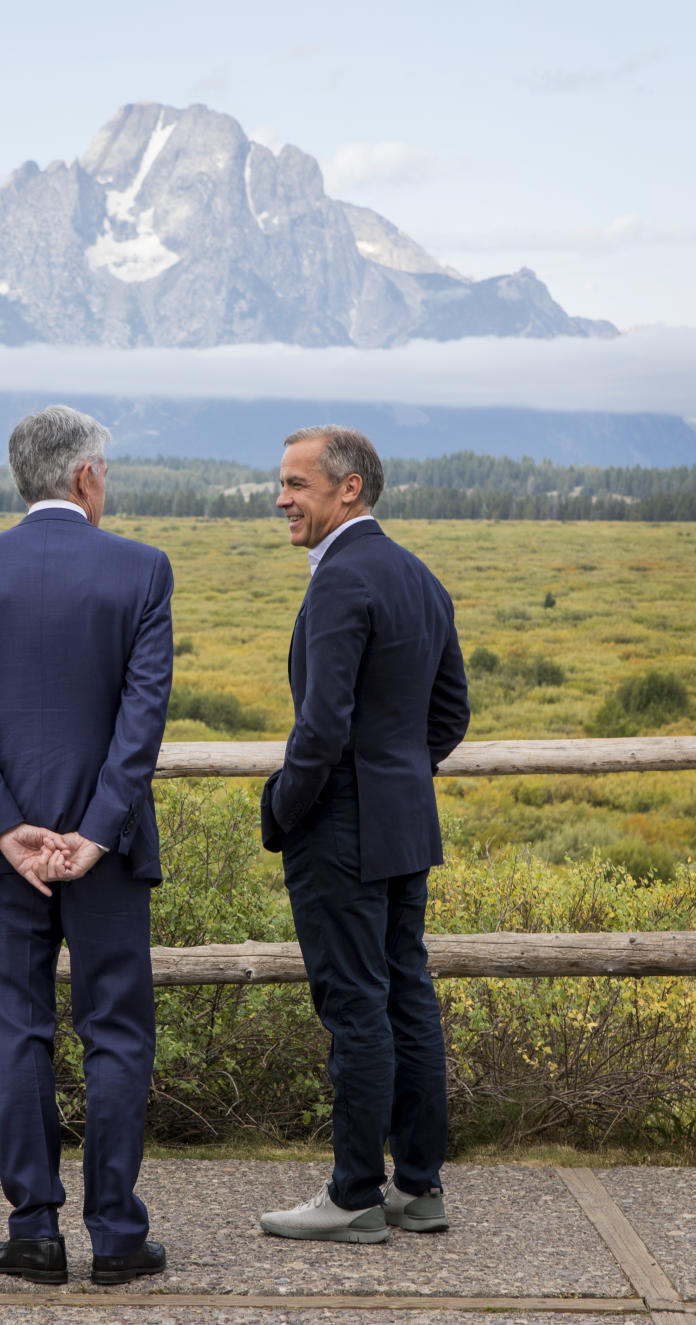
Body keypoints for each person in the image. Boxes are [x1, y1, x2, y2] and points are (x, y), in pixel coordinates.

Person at [0, 404, 173, 1285]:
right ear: (84, 477)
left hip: (1, 858)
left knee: (18, 1033)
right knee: (114, 1033)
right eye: (105, 470)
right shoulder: (143, 571)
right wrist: (98, 833)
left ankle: (33, 1230)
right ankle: (115, 1236)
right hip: (105, 851)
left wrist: (5, 830)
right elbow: (141, 723)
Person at [259, 425, 469, 1244]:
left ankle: (352, 1196)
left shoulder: (342, 580)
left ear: (348, 489)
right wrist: (397, 775)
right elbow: (450, 714)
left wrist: (284, 806)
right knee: (406, 997)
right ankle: (418, 1190)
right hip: (405, 820)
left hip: (340, 828)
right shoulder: (419, 576)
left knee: (355, 1006)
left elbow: (320, 727)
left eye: (296, 483)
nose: (281, 497)